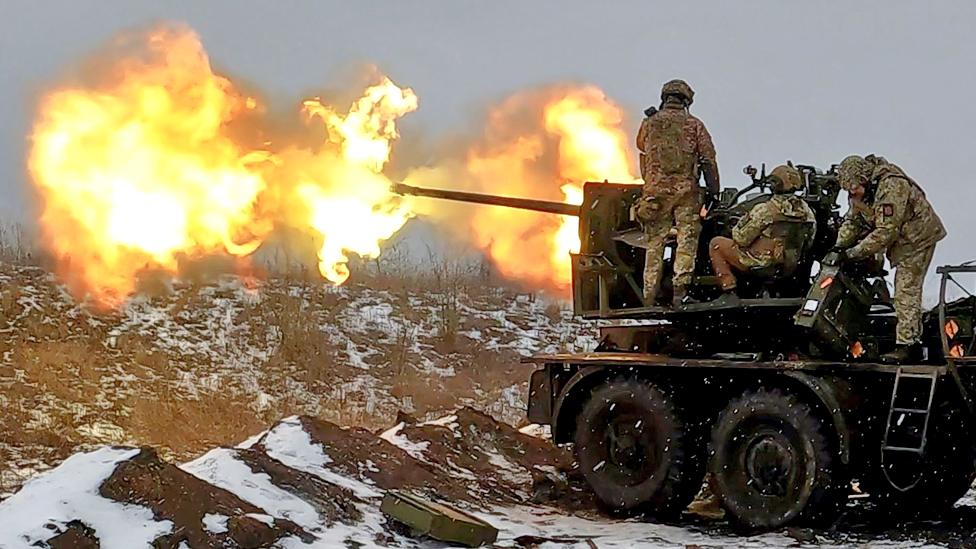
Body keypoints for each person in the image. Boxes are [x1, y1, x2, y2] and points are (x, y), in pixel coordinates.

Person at [833, 154, 946, 364]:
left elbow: (886, 232)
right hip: (899, 239)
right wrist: (839, 246)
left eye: (854, 187)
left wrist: (852, 254)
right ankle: (907, 335)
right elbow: (853, 221)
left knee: (906, 288)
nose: (852, 192)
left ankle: (908, 346)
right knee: (900, 288)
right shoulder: (860, 191)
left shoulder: (892, 187)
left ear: (864, 179)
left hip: (917, 238)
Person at [635, 79, 719, 307]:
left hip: (654, 192)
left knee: (654, 243)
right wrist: (714, 191)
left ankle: (649, 295)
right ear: (686, 100)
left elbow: (641, 145)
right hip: (685, 193)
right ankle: (679, 293)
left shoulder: (649, 123)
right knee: (686, 240)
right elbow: (708, 159)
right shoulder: (694, 125)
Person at [708, 165, 816, 302]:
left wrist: (737, 227)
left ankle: (729, 290)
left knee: (716, 243)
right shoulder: (807, 212)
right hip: (788, 265)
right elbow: (809, 241)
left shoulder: (765, 210)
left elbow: (741, 238)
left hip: (761, 263)